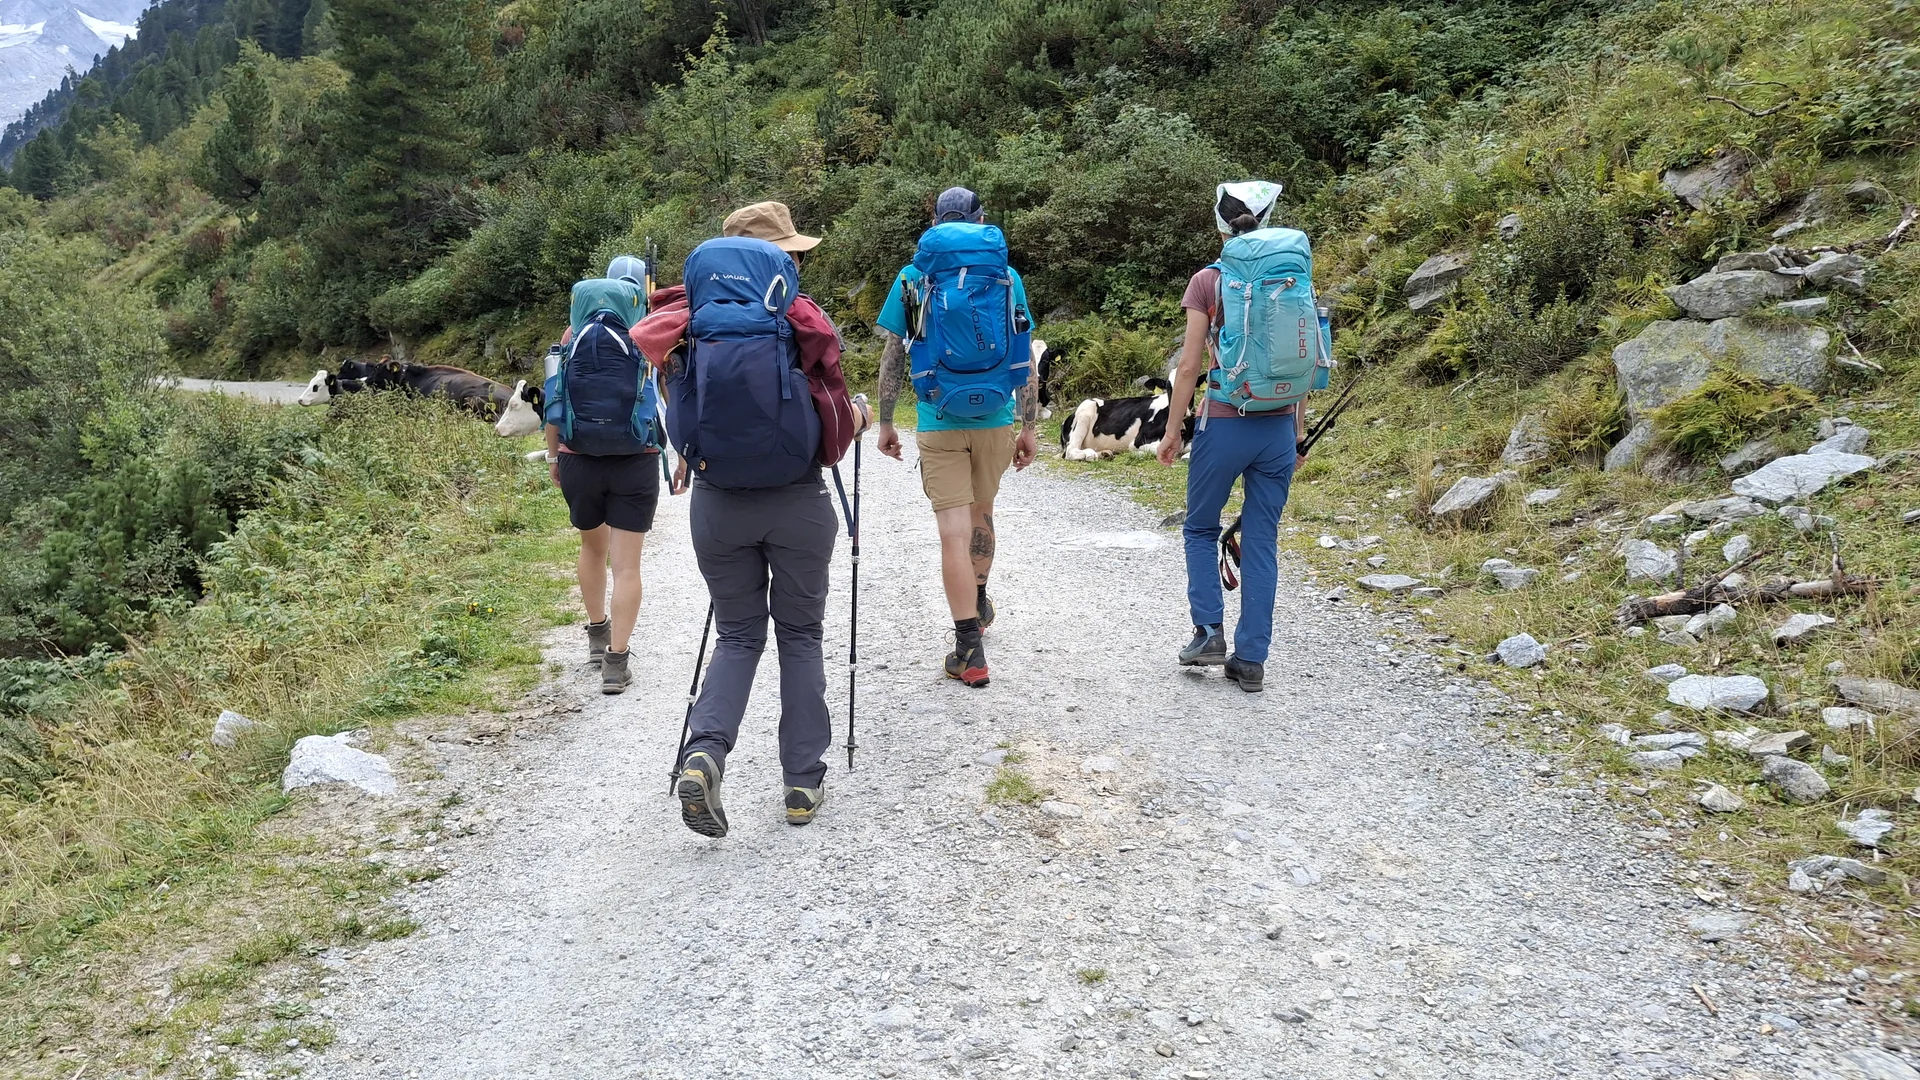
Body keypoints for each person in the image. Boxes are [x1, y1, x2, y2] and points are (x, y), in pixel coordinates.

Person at [634, 201, 871, 837]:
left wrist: (691, 455)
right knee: (800, 635)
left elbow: (674, 398)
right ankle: (800, 783)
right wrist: (862, 419)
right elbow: (837, 417)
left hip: (717, 502)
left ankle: (705, 753)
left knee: (738, 635)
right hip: (797, 501)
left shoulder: (684, 316)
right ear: (779, 257)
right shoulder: (799, 318)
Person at [874, 186, 1039, 688]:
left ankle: (969, 647)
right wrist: (1028, 424)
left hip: (938, 416)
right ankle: (981, 597)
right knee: (982, 514)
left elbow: (894, 355)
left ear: (935, 221)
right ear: (980, 219)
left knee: (951, 532)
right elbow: (1024, 352)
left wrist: (885, 421)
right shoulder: (1005, 275)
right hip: (995, 415)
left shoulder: (914, 275)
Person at [1156, 182, 1315, 693]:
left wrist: (1175, 430)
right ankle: (1251, 660)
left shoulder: (1208, 281)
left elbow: (1188, 364)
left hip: (1223, 419)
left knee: (1200, 528)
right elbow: (1303, 355)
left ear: (1223, 225)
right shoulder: (1292, 278)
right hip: (1277, 426)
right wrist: (1297, 429)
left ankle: (1208, 634)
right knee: (1262, 539)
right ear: (1267, 220)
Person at [545, 271, 661, 695]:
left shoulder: (569, 338)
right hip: (637, 460)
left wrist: (556, 457)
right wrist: (683, 455)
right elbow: (665, 402)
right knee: (627, 565)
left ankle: (596, 636)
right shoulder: (647, 337)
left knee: (591, 548)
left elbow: (554, 404)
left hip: (580, 461)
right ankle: (616, 663)